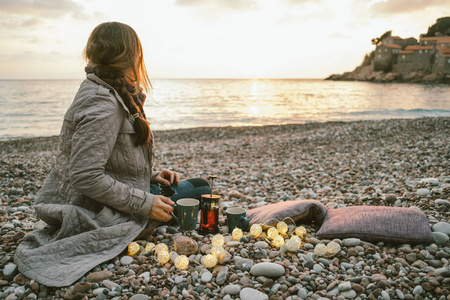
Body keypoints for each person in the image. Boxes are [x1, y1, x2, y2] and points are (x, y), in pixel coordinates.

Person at [14, 22, 210, 287]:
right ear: (133, 56)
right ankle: (151, 215)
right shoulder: (102, 101)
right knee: (201, 189)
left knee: (195, 186)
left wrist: (152, 175)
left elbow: (107, 159)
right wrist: (146, 203)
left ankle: (157, 198)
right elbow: (85, 176)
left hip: (123, 193)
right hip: (100, 209)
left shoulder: (112, 92)